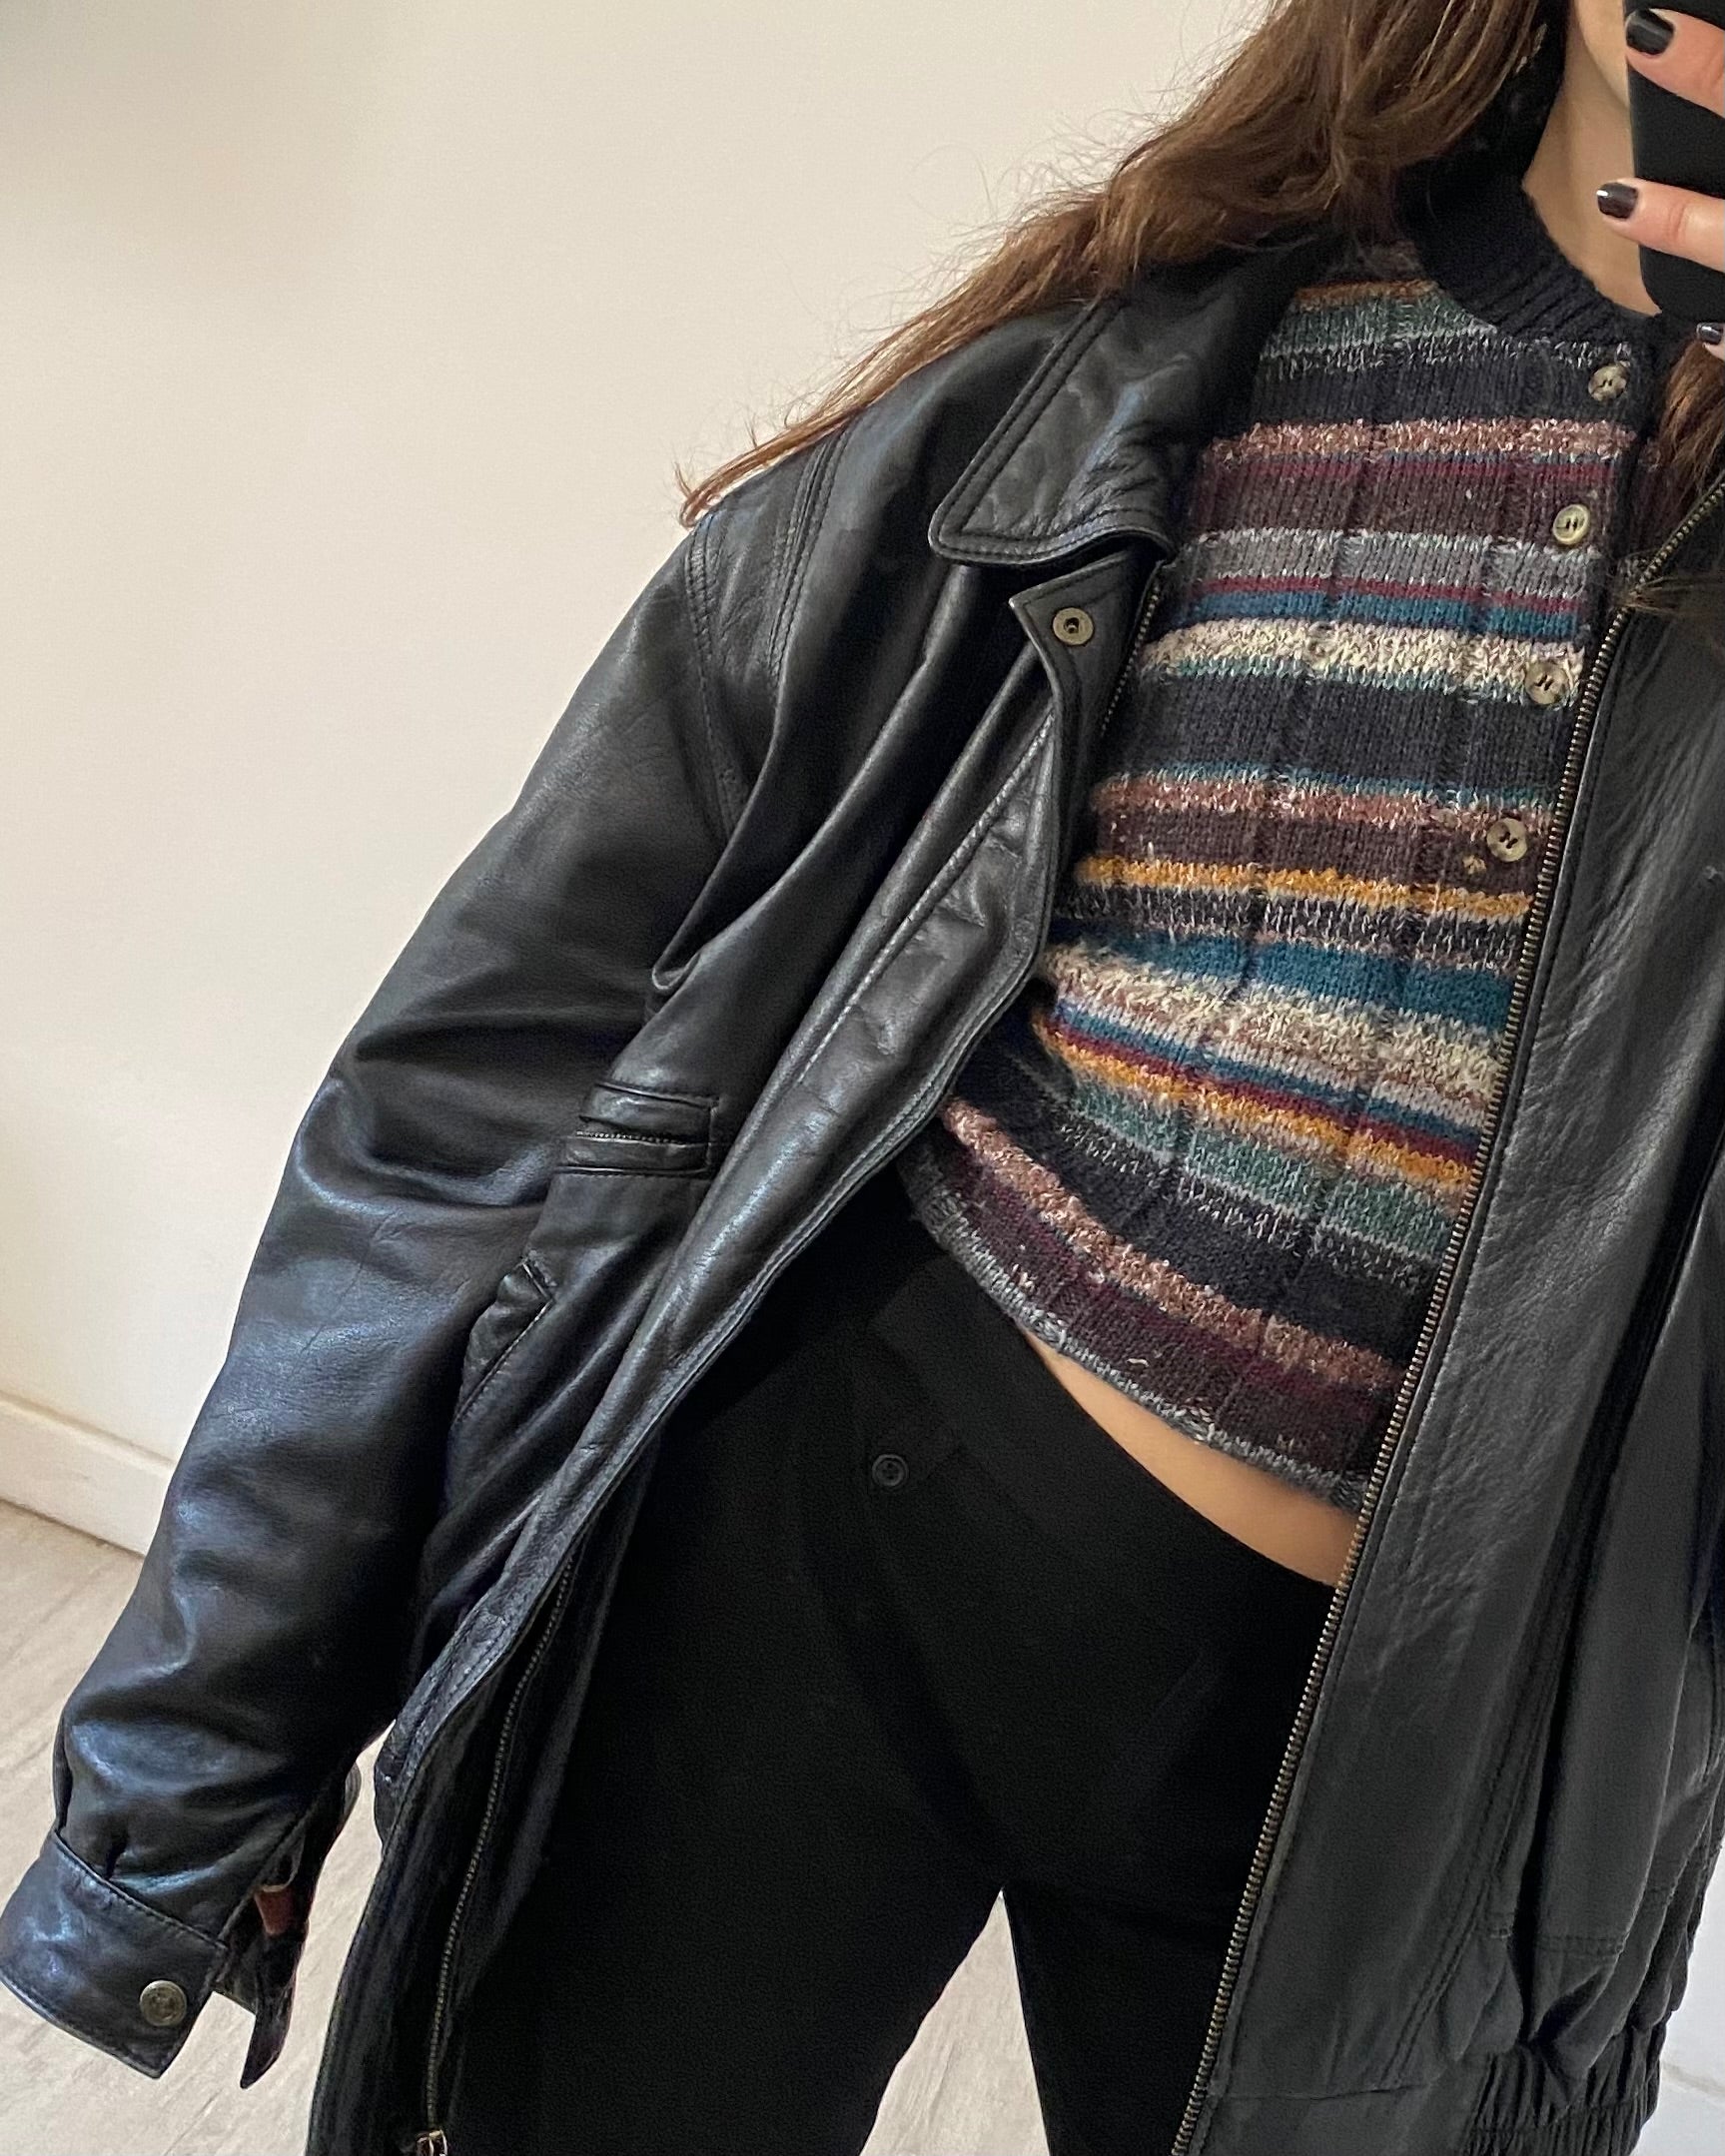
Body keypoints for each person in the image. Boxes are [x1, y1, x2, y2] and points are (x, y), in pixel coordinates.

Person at [3, 2, 1722, 2152]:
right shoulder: (1113, 376)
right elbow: (486, 1083)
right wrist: (203, 1755)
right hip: (816, 1529)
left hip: (1420, 1780)